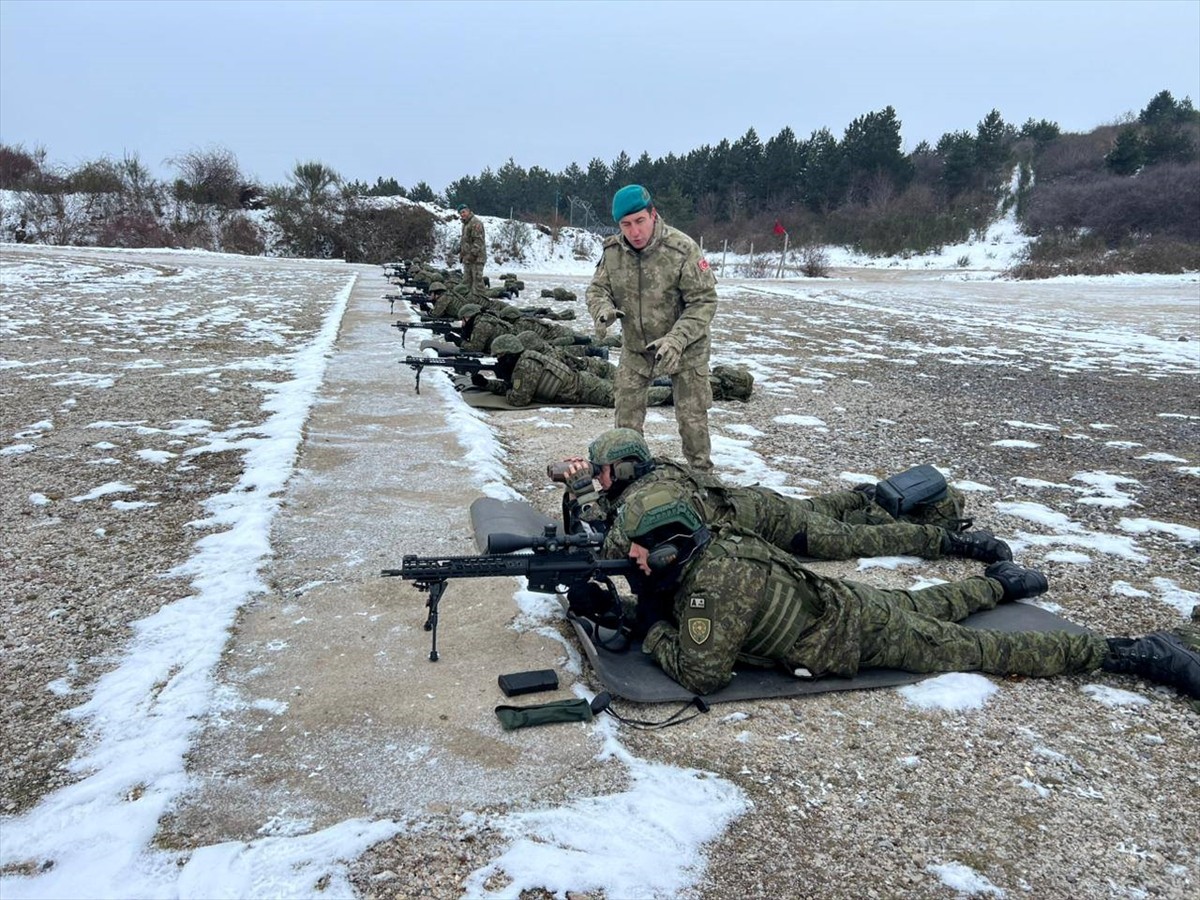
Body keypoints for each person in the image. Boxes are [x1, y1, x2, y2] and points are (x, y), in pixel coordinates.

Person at [607, 488, 1200, 698]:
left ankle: (1128, 653)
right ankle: (994, 584)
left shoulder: (715, 584)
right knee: (919, 603)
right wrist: (625, 605)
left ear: (668, 547)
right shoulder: (711, 550)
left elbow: (701, 670)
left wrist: (650, 629)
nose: (632, 559)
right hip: (838, 604)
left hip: (847, 635)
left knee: (975, 651)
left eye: (638, 550)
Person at [561, 428, 1005, 566]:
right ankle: (863, 497)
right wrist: (588, 489)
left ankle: (953, 541)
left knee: (858, 540)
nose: (597, 478)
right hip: (757, 503)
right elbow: (618, 511)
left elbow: (616, 542)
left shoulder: (649, 495)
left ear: (621, 471)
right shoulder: (650, 474)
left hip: (773, 526)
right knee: (825, 507)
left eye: (600, 471)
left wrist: (582, 493)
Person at [587, 184, 718, 471]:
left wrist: (677, 339)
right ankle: (629, 476)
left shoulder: (682, 249)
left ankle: (704, 485)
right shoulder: (612, 251)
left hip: (685, 350)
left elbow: (704, 302)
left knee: (692, 421)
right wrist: (602, 311)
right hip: (637, 349)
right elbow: (597, 290)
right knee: (626, 422)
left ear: (653, 215)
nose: (634, 231)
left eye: (639, 221)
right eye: (626, 224)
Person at [474, 336, 671, 409]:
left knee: (627, 398)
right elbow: (515, 387)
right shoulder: (524, 362)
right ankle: (663, 383)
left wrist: (504, 385)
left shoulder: (526, 365)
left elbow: (518, 398)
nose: (499, 361)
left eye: (500, 357)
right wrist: (487, 384)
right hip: (582, 384)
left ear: (509, 355)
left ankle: (669, 394)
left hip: (585, 389)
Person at [457, 203, 487, 296]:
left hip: (477, 258)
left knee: (477, 283)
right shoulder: (465, 224)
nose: (462, 214)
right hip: (468, 258)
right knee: (466, 282)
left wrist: (473, 254)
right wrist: (462, 253)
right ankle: (468, 302)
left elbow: (478, 241)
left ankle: (482, 302)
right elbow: (465, 241)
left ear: (468, 211)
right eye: (460, 213)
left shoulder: (475, 223)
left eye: (463, 212)